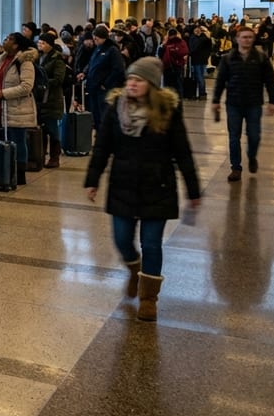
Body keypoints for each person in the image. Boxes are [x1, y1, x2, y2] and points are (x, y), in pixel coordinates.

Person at [84, 57, 201, 322]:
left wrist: (193, 191)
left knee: (151, 244)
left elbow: (182, 152)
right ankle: (133, 268)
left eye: (138, 80)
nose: (132, 84)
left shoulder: (167, 112)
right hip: (122, 185)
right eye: (130, 79)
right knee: (122, 240)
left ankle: (149, 298)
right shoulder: (116, 109)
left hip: (157, 187)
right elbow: (103, 146)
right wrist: (93, 179)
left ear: (151, 84)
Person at [212, 26, 274, 182]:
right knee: (234, 138)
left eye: (249, 37)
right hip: (233, 104)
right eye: (244, 37)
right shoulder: (228, 58)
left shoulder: (261, 58)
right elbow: (221, 81)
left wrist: (273, 101)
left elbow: (270, 81)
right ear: (237, 39)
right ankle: (236, 168)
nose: (247, 40)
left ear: (253, 39)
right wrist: (216, 100)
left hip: (254, 104)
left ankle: (252, 156)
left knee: (254, 136)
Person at [0, 33, 38, 185]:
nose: (5, 41)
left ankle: (19, 173)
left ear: (16, 45)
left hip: (17, 109)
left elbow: (26, 87)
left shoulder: (24, 61)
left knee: (18, 141)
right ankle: (4, 172)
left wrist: (3, 94)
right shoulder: (1, 58)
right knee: (3, 140)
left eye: (9, 39)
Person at [77, 25, 126, 131]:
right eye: (94, 38)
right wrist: (84, 73)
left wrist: (106, 84)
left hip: (104, 90)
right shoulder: (97, 49)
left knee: (104, 116)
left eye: (96, 38)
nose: (94, 40)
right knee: (96, 116)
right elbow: (91, 63)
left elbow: (118, 69)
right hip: (94, 88)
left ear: (103, 38)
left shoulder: (112, 50)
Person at [37, 32, 67, 168]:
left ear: (49, 45)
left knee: (52, 129)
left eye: (43, 43)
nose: (40, 45)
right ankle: (41, 156)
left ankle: (55, 157)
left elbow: (59, 79)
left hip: (52, 98)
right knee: (41, 129)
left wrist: (43, 82)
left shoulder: (57, 59)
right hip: (41, 98)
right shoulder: (38, 58)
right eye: (39, 42)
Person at [159, 28, 189, 99]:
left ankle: (172, 101)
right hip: (172, 67)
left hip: (172, 67)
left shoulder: (178, 42)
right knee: (173, 86)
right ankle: (173, 101)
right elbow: (160, 53)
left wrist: (172, 50)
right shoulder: (179, 42)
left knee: (173, 86)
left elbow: (184, 52)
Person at [187, 25, 214, 100]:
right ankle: (202, 93)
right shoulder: (205, 38)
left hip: (197, 60)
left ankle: (201, 93)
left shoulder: (194, 38)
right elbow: (210, 49)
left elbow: (193, 49)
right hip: (202, 60)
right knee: (201, 76)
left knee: (199, 76)